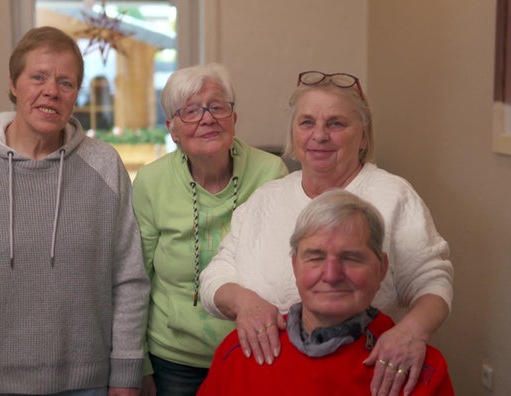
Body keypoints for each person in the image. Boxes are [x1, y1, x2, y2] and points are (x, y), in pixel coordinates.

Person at [0, 26, 150, 395]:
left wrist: (125, 374)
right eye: (38, 77)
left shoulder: (105, 167)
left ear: (76, 95)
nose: (51, 92)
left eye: (66, 82)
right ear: (13, 84)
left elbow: (129, 280)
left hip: (88, 384)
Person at [200, 71, 454, 396]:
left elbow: (432, 279)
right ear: (293, 134)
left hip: (364, 372)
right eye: (307, 123)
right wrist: (244, 302)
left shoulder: (393, 195)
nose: (319, 135)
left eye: (336, 123)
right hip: (266, 371)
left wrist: (413, 331)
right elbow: (216, 276)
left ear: (363, 136)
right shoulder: (266, 199)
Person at [197, 189, 454, 395]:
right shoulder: (239, 355)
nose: (331, 275)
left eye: (352, 258)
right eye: (315, 257)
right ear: (294, 266)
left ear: (382, 268)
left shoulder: (418, 370)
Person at [131, 63, 288, 395]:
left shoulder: (270, 172)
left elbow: (285, 267)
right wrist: (139, 364)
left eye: (217, 106)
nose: (207, 118)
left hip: (254, 350)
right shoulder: (151, 181)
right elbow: (137, 278)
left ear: (234, 118)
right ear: (172, 129)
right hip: (173, 359)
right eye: (191, 111)